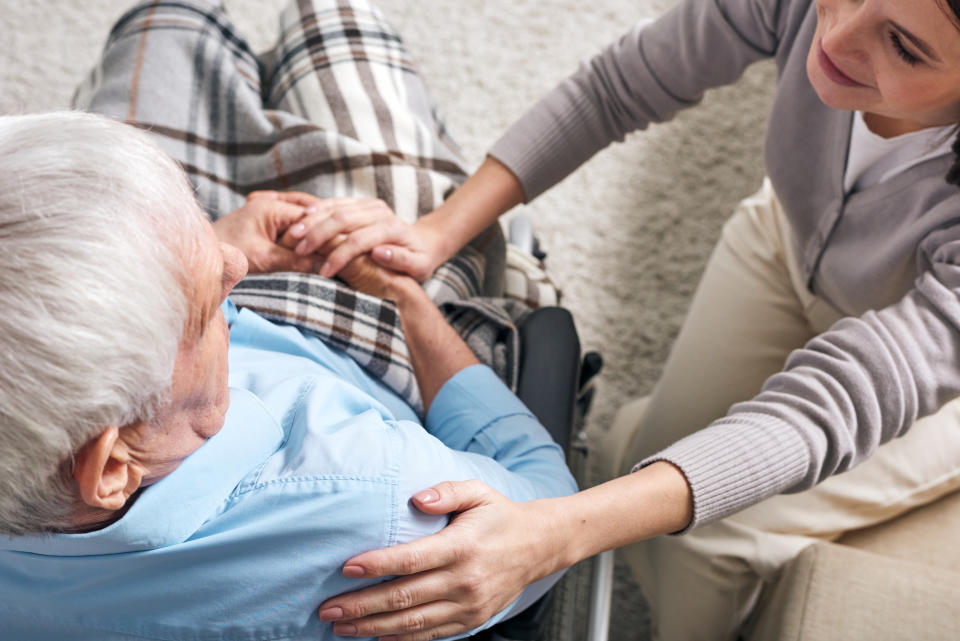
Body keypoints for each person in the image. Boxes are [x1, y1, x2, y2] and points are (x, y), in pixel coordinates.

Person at [300, 0, 960, 639]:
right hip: (784, 241)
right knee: (633, 460)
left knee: (701, 545)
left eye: (904, 45)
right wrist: (438, 231)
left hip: (930, 367)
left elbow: (831, 406)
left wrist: (557, 533)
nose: (838, 36)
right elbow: (620, 86)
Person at [0, 111, 577, 640]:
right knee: (343, 42)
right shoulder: (381, 504)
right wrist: (408, 302)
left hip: (193, 333)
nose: (238, 266)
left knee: (167, 18)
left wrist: (196, 251)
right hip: (387, 352)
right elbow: (546, 498)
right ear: (114, 466)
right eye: (202, 317)